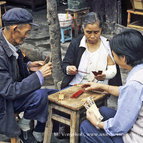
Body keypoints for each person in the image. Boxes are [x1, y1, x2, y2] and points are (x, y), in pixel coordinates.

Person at [0, 8, 57, 143]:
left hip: (9, 94)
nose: (27, 36)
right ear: (14, 29)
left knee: (54, 94)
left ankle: (40, 130)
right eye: (26, 32)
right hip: (4, 102)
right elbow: (9, 90)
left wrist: (28, 67)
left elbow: (13, 70)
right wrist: (38, 76)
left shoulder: (8, 42)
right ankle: (25, 127)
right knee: (40, 95)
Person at [80, 29, 143, 143]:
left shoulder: (135, 84)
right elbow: (131, 94)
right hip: (137, 124)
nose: (113, 57)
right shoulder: (139, 72)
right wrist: (103, 87)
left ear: (123, 58)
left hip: (136, 137)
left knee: (86, 126)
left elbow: (120, 127)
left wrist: (97, 123)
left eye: (114, 54)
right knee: (103, 111)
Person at [61, 12, 121, 89]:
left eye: (96, 32)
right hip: (76, 84)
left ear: (101, 29)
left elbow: (112, 70)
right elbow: (65, 64)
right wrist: (69, 68)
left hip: (99, 87)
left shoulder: (107, 46)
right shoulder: (76, 43)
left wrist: (105, 75)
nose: (92, 36)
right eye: (88, 32)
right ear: (83, 29)